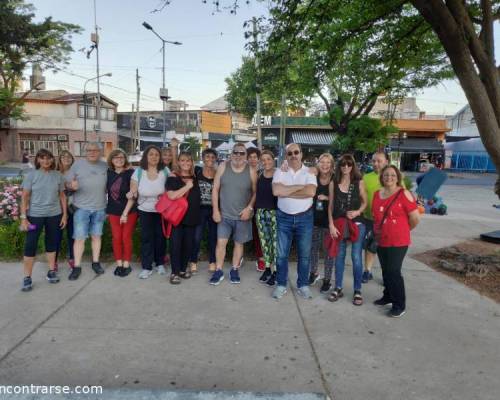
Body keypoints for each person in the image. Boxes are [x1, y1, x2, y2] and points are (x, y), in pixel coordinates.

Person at [372, 165, 420, 318]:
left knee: (393, 271)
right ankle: (387, 296)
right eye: (386, 175)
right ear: (382, 177)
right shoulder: (377, 194)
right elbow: (376, 216)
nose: (389, 177)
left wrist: (404, 230)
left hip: (399, 241)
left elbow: (415, 218)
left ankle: (399, 304)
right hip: (381, 239)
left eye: (392, 175)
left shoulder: (404, 193)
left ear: (397, 177)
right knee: (385, 270)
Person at [271, 143, 317, 299]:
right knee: (281, 255)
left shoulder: (309, 172)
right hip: (283, 217)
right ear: (286, 156)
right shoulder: (280, 171)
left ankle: (303, 285)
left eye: (296, 152)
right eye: (289, 153)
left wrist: (287, 191)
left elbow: (310, 192)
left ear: (301, 154)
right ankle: (281, 284)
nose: (293, 155)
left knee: (304, 255)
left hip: (305, 218)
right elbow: (277, 191)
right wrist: (299, 187)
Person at [20, 149, 67, 291]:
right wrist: (23, 218)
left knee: (52, 243)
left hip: (55, 215)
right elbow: (25, 197)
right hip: (35, 215)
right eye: (43, 158)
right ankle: (27, 277)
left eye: (49, 158)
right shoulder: (31, 175)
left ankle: (51, 271)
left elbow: (62, 196)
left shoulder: (58, 175)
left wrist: (65, 215)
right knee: (30, 245)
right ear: (38, 160)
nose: (46, 161)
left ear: (52, 160)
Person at [210, 142, 257, 285]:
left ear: (246, 156)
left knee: (238, 244)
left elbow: (255, 193)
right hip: (224, 215)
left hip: (242, 216)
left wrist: (249, 208)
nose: (238, 155)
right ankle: (218, 270)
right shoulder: (223, 166)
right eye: (235, 152)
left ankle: (234, 269)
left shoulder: (251, 170)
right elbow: (215, 189)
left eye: (242, 153)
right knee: (221, 243)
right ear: (231, 154)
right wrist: (215, 210)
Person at [124, 145, 169, 279]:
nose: (154, 157)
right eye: (151, 154)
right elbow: (133, 191)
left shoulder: (165, 170)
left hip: (162, 210)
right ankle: (147, 267)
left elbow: (171, 188)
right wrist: (130, 193)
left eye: (156, 154)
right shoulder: (138, 172)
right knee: (146, 238)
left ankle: (160, 263)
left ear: (159, 157)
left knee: (160, 238)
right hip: (144, 210)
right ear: (146, 157)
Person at [328, 154, 367, 306]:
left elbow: (365, 202)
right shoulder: (334, 181)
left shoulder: (359, 182)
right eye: (343, 164)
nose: (346, 167)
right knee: (339, 256)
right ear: (339, 166)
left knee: (356, 257)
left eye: (349, 164)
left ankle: (357, 290)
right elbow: (330, 206)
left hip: (357, 223)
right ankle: (338, 287)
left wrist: (358, 212)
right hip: (338, 223)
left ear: (353, 165)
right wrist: (331, 224)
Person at [65, 142, 107, 280]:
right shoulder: (77, 165)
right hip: (81, 208)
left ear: (100, 152)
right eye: (89, 150)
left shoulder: (105, 165)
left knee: (96, 236)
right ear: (85, 152)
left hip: (100, 208)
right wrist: (72, 186)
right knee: (79, 238)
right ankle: (76, 267)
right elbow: (67, 184)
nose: (92, 152)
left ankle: (95, 263)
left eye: (95, 150)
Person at [166, 151, 201, 284]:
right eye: (182, 160)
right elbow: (171, 196)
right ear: (178, 162)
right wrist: (187, 186)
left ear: (192, 162)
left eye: (188, 160)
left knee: (188, 245)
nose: (185, 163)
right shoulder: (173, 177)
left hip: (192, 217)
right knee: (176, 245)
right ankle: (174, 272)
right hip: (177, 218)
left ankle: (181, 269)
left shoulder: (195, 176)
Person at [106, 149, 137, 277]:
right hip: (113, 211)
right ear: (111, 160)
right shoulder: (108, 173)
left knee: (126, 238)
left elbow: (133, 195)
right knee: (117, 238)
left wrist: (125, 213)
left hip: (129, 211)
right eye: (116, 157)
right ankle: (119, 264)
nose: (119, 159)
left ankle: (126, 264)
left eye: (121, 157)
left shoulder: (131, 173)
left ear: (125, 159)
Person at [308, 153, 335, 293]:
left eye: (328, 162)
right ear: (318, 163)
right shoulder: (314, 177)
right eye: (322, 162)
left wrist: (327, 197)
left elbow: (341, 199)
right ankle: (313, 273)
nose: (325, 165)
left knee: (328, 252)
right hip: (314, 219)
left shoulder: (335, 179)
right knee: (313, 249)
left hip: (329, 222)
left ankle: (327, 280)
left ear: (331, 164)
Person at [362, 152, 389, 283]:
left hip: (387, 222)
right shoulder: (366, 177)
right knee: (369, 247)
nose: (376, 164)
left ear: (386, 162)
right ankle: (367, 271)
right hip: (368, 219)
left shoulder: (393, 177)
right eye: (373, 161)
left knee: (385, 249)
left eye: (379, 161)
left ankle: (386, 274)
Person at [190, 148, 218, 274]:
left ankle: (212, 261)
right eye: (207, 157)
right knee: (196, 237)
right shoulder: (197, 171)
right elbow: (179, 165)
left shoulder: (218, 174)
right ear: (203, 158)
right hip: (199, 209)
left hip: (214, 209)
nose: (210, 159)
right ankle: (193, 261)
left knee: (213, 237)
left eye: (212, 157)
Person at [255, 150, 278, 286]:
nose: (266, 162)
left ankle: (277, 271)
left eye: (268, 159)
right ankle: (268, 269)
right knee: (265, 243)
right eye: (263, 160)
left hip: (275, 213)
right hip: (260, 212)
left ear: (273, 159)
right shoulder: (259, 175)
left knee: (275, 244)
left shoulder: (280, 174)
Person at [55, 150, 75, 271]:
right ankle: (54, 260)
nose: (66, 158)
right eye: (63, 156)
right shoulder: (55, 173)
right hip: (57, 209)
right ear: (59, 159)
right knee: (56, 236)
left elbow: (79, 187)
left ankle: (72, 258)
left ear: (72, 159)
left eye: (69, 156)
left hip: (72, 208)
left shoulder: (76, 173)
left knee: (72, 235)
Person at [247, 147, 265, 271]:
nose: (253, 160)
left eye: (255, 157)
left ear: (259, 159)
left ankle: (261, 258)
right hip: (244, 205)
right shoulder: (243, 172)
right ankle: (239, 256)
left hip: (259, 206)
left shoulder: (263, 172)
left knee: (259, 233)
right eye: (250, 157)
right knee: (240, 232)